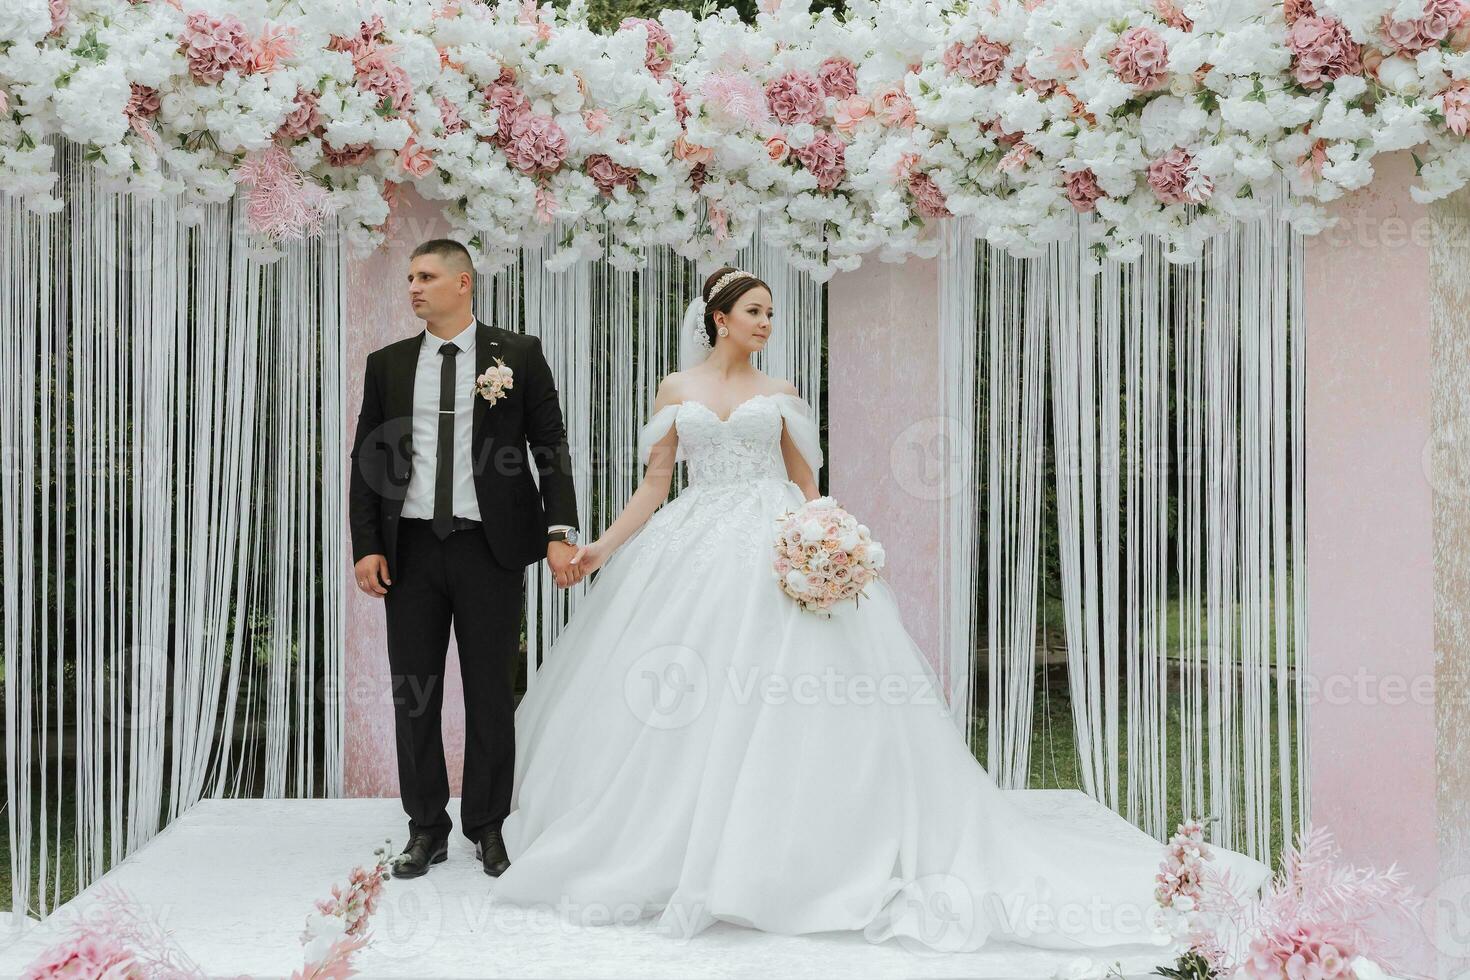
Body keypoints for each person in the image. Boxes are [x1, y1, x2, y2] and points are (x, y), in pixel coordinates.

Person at [488, 265, 1273, 956]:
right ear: (719, 319)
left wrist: (828, 542)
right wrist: (602, 549)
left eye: (771, 313)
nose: (766, 323)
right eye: (755, 311)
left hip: (774, 543)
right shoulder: (676, 391)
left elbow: (806, 486)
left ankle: (802, 850)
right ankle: (669, 848)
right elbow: (655, 486)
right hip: (693, 546)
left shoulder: (781, 395)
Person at [347, 238, 583, 881]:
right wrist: (366, 544)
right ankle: (426, 827)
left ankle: (488, 825)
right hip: (412, 549)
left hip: (491, 547)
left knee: (490, 693)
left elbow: (550, 447)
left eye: (426, 276)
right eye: (409, 278)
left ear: (463, 283)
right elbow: (368, 457)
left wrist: (560, 530)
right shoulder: (389, 364)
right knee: (414, 693)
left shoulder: (519, 354)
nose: (414, 288)